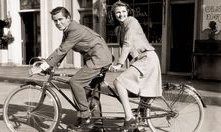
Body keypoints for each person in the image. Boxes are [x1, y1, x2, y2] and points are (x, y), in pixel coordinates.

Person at [29, 7, 112, 128]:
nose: (58, 23)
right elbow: (63, 51)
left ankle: (85, 117)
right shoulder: (68, 30)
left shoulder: (74, 30)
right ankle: (97, 124)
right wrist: (50, 67)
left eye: (60, 19)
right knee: (90, 91)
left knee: (75, 82)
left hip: (98, 59)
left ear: (68, 18)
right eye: (55, 21)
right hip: (99, 58)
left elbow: (61, 50)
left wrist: (42, 67)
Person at [109, 1, 162, 129]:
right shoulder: (119, 28)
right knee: (142, 95)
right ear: (114, 15)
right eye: (118, 12)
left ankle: (129, 118)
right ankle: (140, 126)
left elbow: (128, 43)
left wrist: (119, 64)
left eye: (123, 11)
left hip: (147, 59)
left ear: (128, 12)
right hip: (142, 59)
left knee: (118, 82)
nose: (121, 14)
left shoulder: (131, 21)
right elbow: (128, 51)